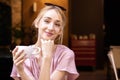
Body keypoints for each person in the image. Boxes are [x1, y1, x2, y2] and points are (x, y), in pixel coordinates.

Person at [10, 3, 79, 80]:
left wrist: (47, 58)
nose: (51, 28)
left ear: (60, 30)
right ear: (37, 23)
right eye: (46, 21)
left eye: (57, 24)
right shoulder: (24, 53)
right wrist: (21, 70)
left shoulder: (65, 54)